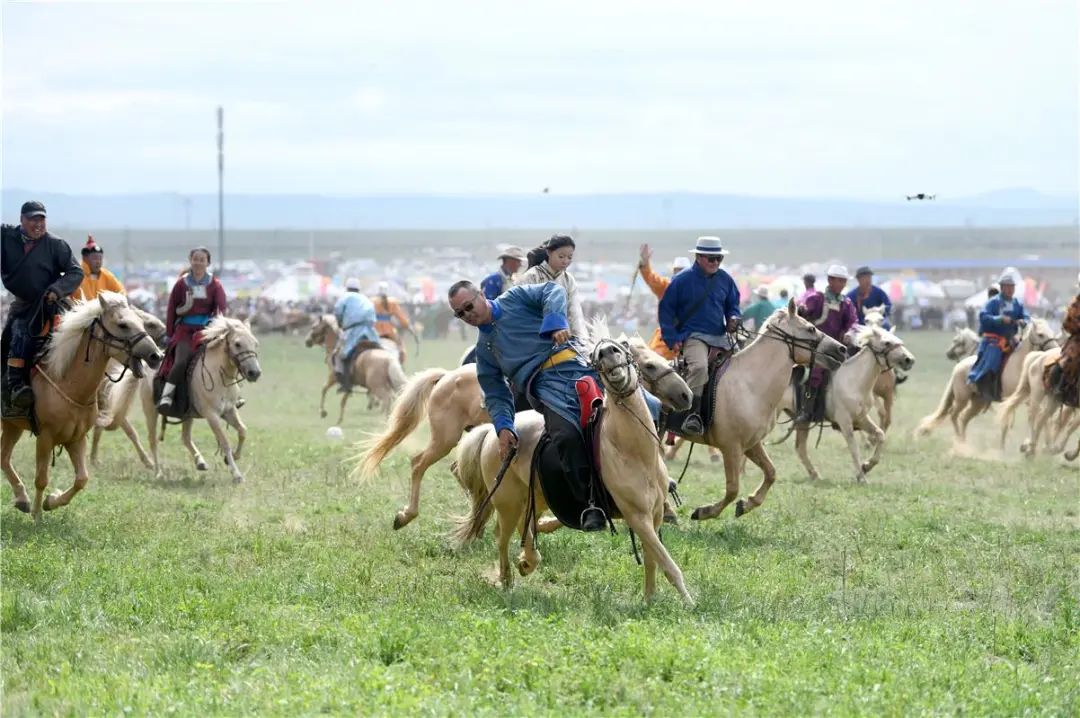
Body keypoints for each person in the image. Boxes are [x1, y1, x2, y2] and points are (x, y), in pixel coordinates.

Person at [448, 280, 609, 530]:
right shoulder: (485, 350)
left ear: (481, 294)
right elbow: (496, 393)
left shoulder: (515, 297)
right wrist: (503, 427)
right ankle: (591, 503)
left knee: (643, 400)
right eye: (460, 313)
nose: (467, 315)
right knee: (565, 436)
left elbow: (552, 290)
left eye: (469, 306)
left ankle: (657, 478)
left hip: (579, 365)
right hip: (546, 390)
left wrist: (555, 321)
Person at [1, 201, 84, 410]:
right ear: (21, 220)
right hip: (24, 305)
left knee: (84, 336)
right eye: (32, 219)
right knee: (15, 336)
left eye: (41, 219)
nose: (37, 224)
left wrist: (56, 290)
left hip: (52, 303)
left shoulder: (57, 244)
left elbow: (76, 272)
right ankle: (16, 386)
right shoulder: (6, 237)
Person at [658, 236, 741, 436]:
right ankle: (692, 415)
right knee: (699, 367)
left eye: (718, 259)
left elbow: (733, 305)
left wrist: (733, 318)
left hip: (721, 336)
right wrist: (673, 338)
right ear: (698, 257)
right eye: (711, 259)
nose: (715, 263)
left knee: (742, 365)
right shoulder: (681, 280)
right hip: (694, 336)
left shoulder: (725, 279)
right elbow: (666, 311)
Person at [157, 247, 227, 411]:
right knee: (180, 362)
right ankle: (166, 397)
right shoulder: (181, 284)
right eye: (196, 259)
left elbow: (221, 308)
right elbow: (171, 309)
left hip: (208, 331)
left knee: (224, 360)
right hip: (185, 331)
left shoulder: (215, 285)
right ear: (190, 260)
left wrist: (215, 323)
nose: (198, 262)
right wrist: (169, 334)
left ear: (208, 263)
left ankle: (232, 397)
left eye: (202, 259)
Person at [795, 264, 858, 424]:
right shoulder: (816, 298)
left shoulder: (847, 303)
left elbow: (852, 322)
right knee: (816, 373)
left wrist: (849, 333)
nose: (842, 284)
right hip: (815, 348)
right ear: (830, 280)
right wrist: (802, 311)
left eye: (844, 281)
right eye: (839, 280)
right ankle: (806, 411)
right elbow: (803, 315)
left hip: (837, 348)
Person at [966, 271, 1029, 402]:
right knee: (993, 359)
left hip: (1012, 339)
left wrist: (1024, 321)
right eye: (1007, 286)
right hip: (993, 340)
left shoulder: (1017, 303)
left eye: (1012, 287)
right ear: (1002, 287)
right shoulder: (993, 302)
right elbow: (983, 316)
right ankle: (987, 387)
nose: (1010, 289)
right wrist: (999, 319)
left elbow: (1025, 315)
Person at [515, 235, 588, 341]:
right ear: (549, 253)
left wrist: (582, 341)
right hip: (533, 338)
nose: (565, 261)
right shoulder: (531, 276)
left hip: (562, 339)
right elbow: (520, 311)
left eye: (569, 257)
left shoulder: (568, 280)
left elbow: (575, 314)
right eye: (561, 256)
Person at [637, 243, 691, 359]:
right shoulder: (666, 287)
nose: (680, 274)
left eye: (683, 271)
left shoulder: (697, 289)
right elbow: (651, 278)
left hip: (689, 340)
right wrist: (645, 263)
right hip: (664, 342)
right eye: (678, 271)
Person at [333, 277, 379, 392]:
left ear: (347, 287)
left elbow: (338, 312)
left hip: (353, 332)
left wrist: (340, 324)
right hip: (370, 331)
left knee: (340, 355)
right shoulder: (366, 299)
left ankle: (345, 382)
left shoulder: (345, 298)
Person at [372, 281, 413, 364]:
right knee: (400, 346)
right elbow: (402, 318)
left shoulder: (372, 301)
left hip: (375, 331)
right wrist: (407, 325)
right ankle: (401, 362)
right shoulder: (392, 302)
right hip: (389, 331)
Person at [75, 236, 125, 301]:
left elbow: (121, 292)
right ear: (85, 258)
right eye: (95, 258)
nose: (98, 262)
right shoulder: (77, 275)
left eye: (100, 258)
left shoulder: (106, 275)